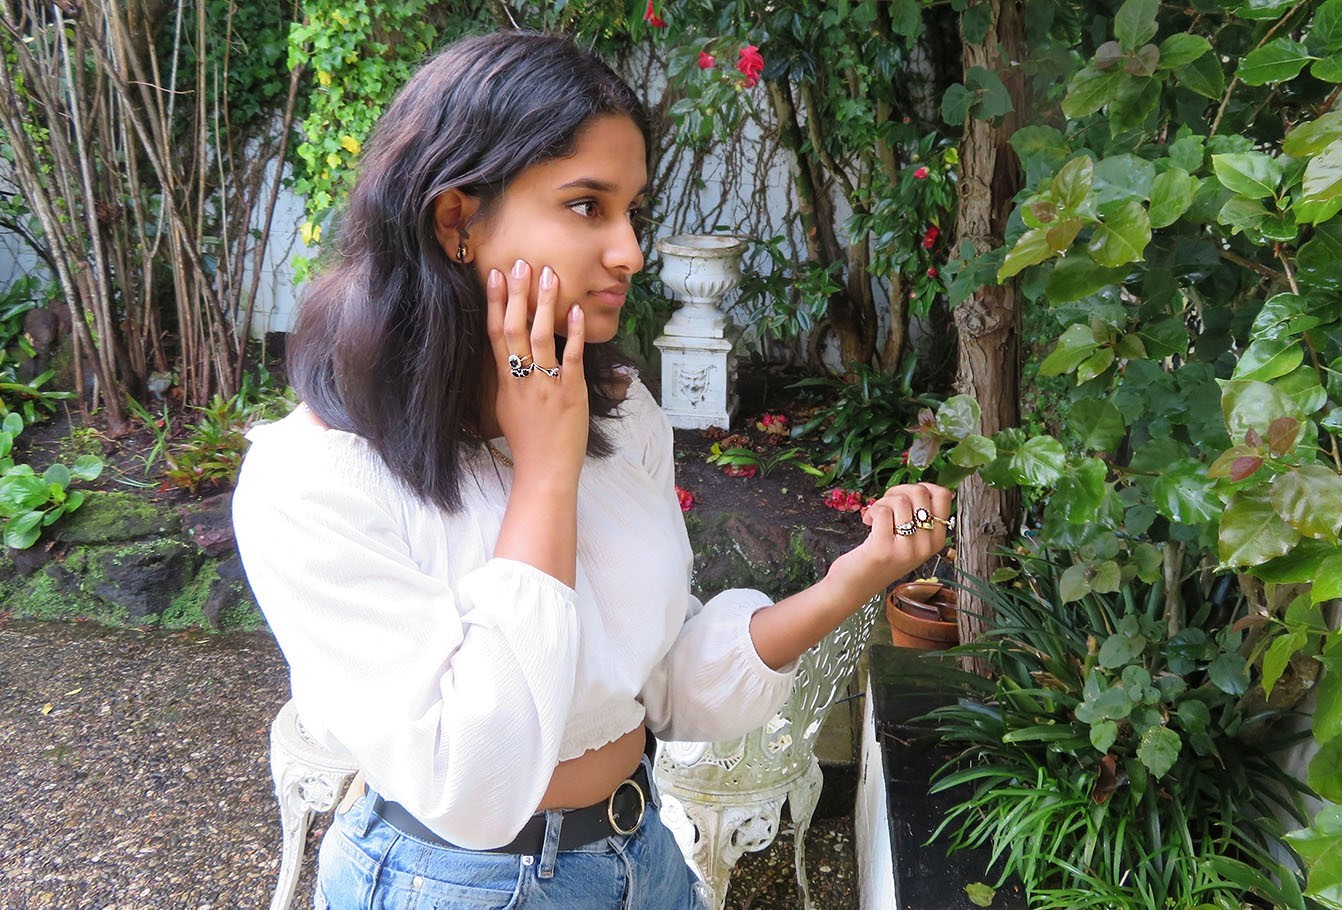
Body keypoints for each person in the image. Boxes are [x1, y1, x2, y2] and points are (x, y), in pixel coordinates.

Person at [232, 30, 953, 910]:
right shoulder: (316, 481)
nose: (631, 252)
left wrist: (852, 580)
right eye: (585, 206)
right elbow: (473, 780)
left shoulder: (619, 415)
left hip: (640, 853)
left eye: (632, 210)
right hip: (451, 883)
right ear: (457, 220)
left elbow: (658, 689)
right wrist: (544, 473)